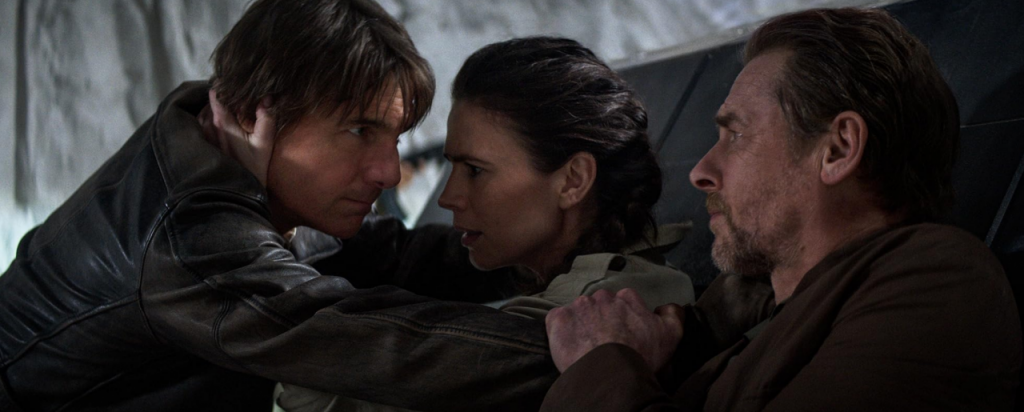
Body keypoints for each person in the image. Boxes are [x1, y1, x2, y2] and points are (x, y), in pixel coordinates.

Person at [0, 1, 560, 411]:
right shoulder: (190, 235)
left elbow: (377, 254)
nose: (389, 171)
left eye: (393, 138)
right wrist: (571, 349)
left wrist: (530, 253)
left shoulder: (221, 141)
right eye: (359, 131)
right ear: (253, 114)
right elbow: (363, 343)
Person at [542, 7, 1022, 411]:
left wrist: (600, 367)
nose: (701, 172)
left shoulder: (937, 281)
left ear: (837, 150)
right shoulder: (750, 305)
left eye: (736, 135)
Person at [275, 36, 696, 412]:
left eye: (475, 171)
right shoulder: (612, 286)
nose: (448, 197)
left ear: (573, 181)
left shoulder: (579, 324)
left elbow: (327, 396)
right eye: (453, 168)